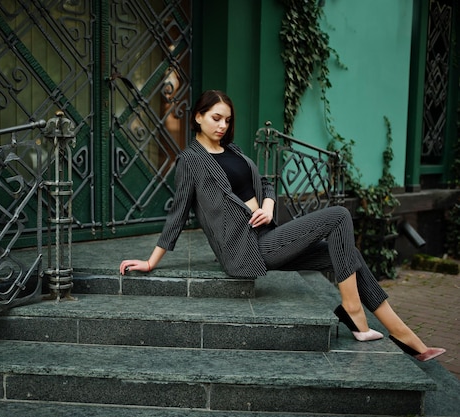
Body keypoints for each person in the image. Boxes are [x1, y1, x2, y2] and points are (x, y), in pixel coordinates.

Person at [119, 89, 445, 362]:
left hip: (270, 234)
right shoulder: (190, 161)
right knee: (339, 216)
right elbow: (178, 212)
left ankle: (404, 336)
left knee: (348, 256)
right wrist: (150, 261)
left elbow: (266, 186)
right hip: (248, 247)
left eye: (227, 119)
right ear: (198, 117)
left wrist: (269, 204)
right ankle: (351, 309)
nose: (222, 125)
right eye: (216, 117)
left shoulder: (234, 150)